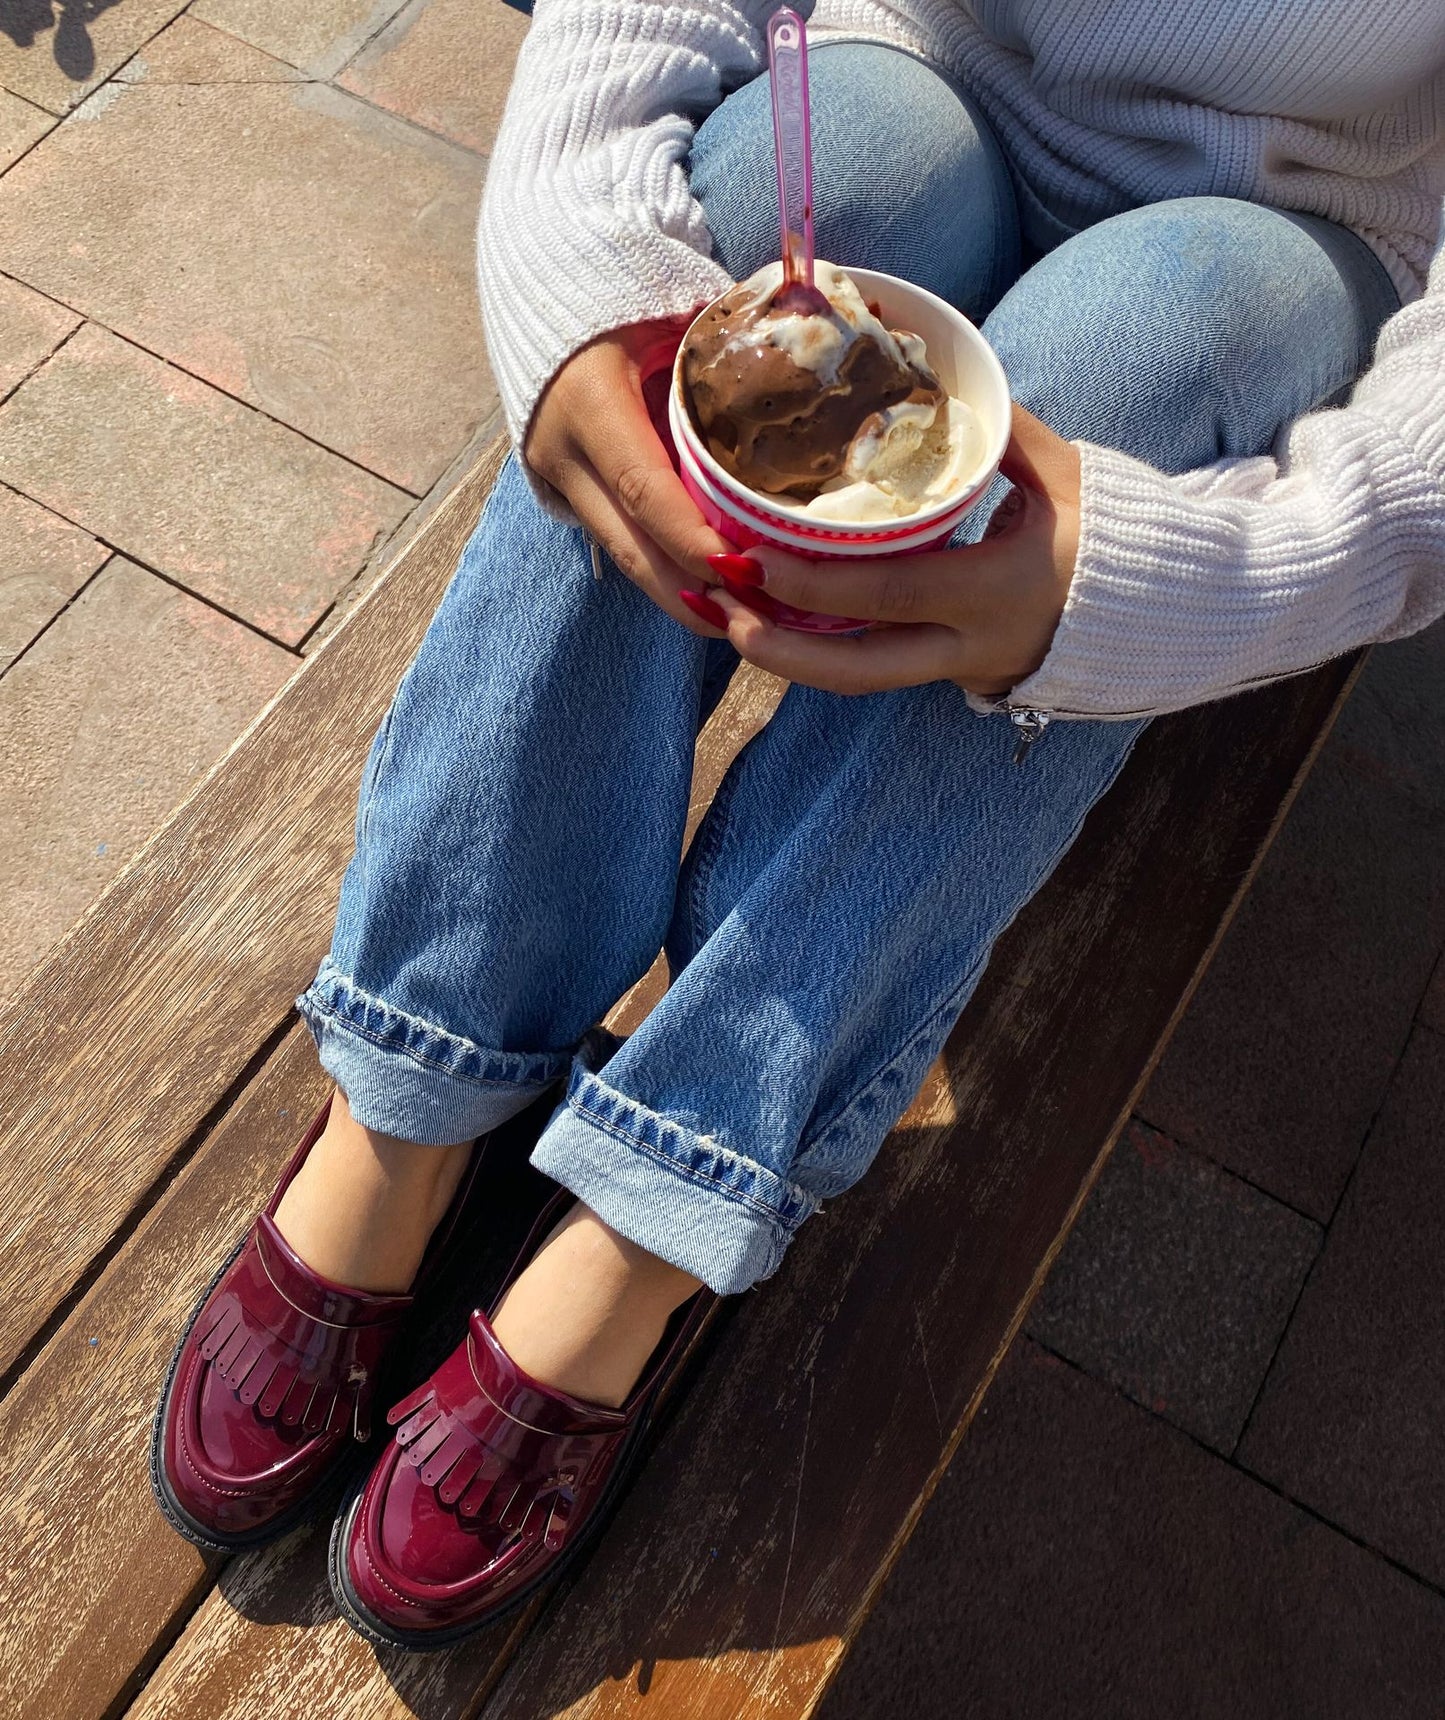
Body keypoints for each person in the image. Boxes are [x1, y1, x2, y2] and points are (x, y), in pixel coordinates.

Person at [152, 0, 1445, 1650]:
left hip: (1292, 232)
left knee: (1156, 330)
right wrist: (583, 289)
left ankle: (670, 1185)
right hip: (903, 84)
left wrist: (1149, 587)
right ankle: (428, 1055)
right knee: (791, 201)